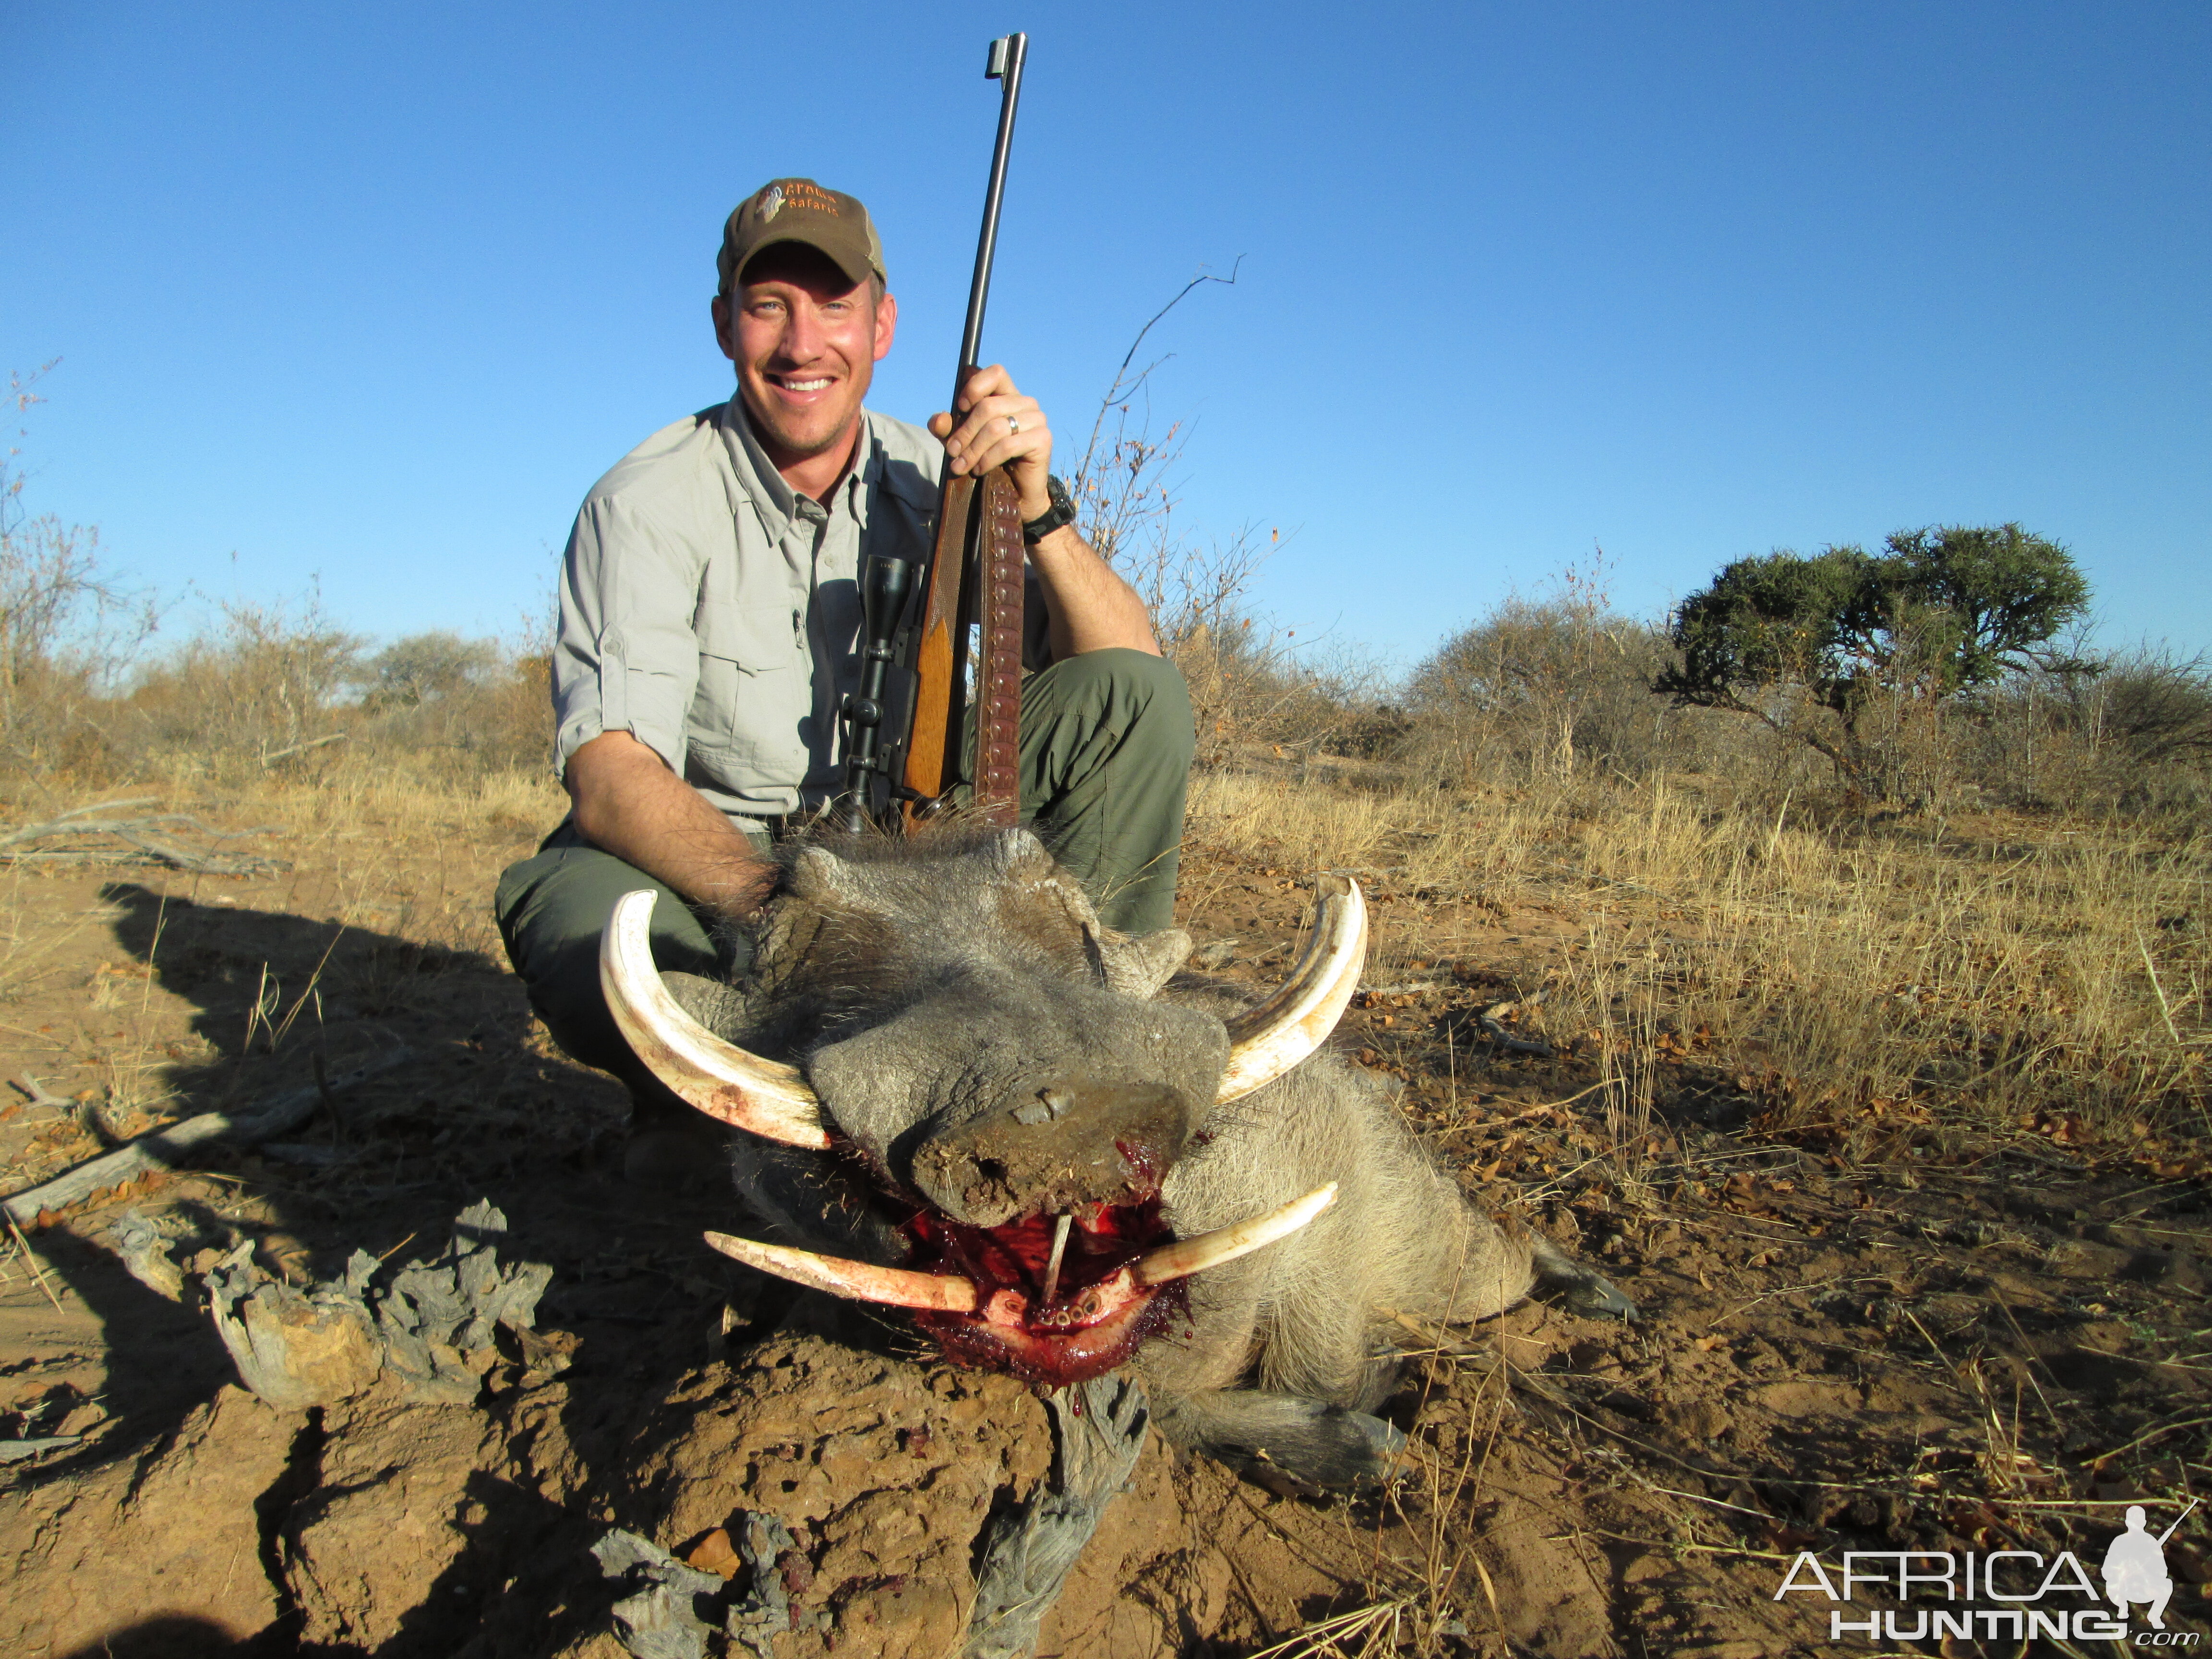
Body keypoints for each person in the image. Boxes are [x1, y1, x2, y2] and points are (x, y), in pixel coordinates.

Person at [493, 178, 1194, 1169]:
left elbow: (1130, 671)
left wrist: (1037, 510)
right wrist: (798, 917)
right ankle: (736, 1122)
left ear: (883, 324)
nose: (802, 343)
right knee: (575, 920)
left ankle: (1094, 1061)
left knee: (1138, 701)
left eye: (833, 306)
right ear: (724, 324)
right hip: (731, 874)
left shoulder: (944, 472)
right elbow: (610, 772)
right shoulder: (646, 501)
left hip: (915, 844)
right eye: (769, 304)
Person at [2103, 1504, 2174, 1629]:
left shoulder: (2151, 1542)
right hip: (2123, 1587)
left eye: (2139, 1520)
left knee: (2167, 1585)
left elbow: (2163, 1571)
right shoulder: (2120, 1541)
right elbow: (2107, 1569)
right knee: (2112, 1587)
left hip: (2145, 1587)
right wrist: (2122, 1570)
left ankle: (2155, 1615)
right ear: (2127, 1522)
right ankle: (2123, 1611)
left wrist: (2147, 1570)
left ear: (2144, 1522)